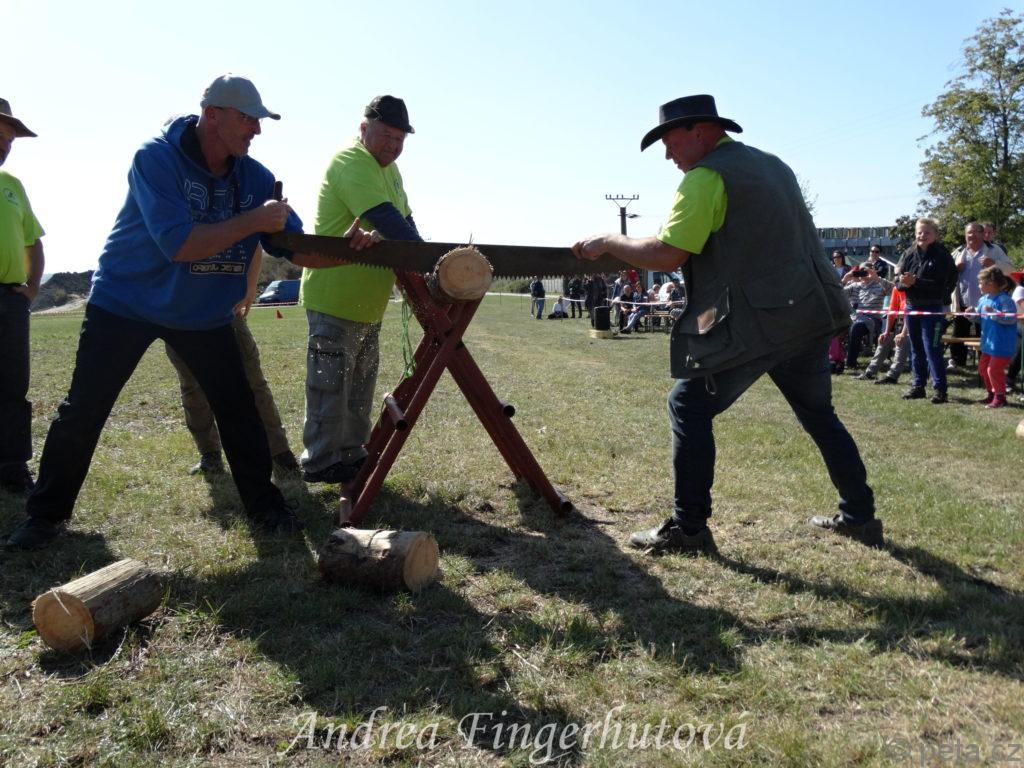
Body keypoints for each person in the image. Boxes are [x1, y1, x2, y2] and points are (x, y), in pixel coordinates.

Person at [5, 74, 378, 550]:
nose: (256, 130)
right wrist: (254, 219)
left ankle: (266, 508)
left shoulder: (255, 177)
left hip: (203, 314)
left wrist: (346, 248)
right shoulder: (155, 159)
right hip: (126, 302)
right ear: (212, 115)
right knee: (84, 410)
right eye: (248, 119)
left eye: (259, 121)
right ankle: (44, 518)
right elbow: (179, 244)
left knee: (239, 409)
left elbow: (296, 248)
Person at [572, 94, 879, 553]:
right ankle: (860, 517)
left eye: (670, 142)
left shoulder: (706, 177)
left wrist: (610, 240)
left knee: (687, 406)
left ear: (699, 131)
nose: (668, 155)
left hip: (762, 323)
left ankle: (689, 529)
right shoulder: (774, 166)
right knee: (820, 416)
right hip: (809, 312)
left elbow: (668, 254)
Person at [299, 95, 421, 485]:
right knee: (329, 390)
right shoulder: (351, 161)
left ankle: (351, 457)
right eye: (386, 135)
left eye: (400, 139)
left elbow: (407, 222)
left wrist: (429, 260)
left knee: (359, 393)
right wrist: (428, 263)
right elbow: (386, 221)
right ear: (363, 128)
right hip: (334, 299)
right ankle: (320, 462)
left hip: (368, 305)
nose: (393, 145)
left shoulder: (391, 172)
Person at [164, 246, 299, 476]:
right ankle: (210, 455)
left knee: (253, 383)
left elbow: (254, 245)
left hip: (227, 311)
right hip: (179, 316)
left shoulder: (232, 219)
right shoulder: (166, 222)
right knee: (192, 388)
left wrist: (250, 288)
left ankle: (280, 453)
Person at [0, 98, 44, 495]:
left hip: (10, 301)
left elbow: (34, 241)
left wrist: (31, 289)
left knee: (13, 385)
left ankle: (13, 468)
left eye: (8, 140)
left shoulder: (13, 186)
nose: (4, 145)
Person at [896, 218, 957, 404]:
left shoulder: (942, 255)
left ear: (935, 235)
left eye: (926, 232)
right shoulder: (909, 253)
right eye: (919, 232)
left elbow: (943, 285)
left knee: (933, 348)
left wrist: (917, 282)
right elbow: (898, 282)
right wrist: (904, 283)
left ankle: (940, 390)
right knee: (916, 348)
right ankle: (918, 386)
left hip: (933, 307)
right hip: (912, 307)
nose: (922, 235)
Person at [949, 221, 1012, 372]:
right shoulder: (959, 252)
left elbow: (1010, 269)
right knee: (959, 333)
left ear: (982, 234)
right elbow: (946, 272)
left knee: (985, 333)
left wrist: (994, 263)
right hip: (962, 302)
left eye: (975, 232)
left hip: (987, 304)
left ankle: (986, 363)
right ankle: (957, 362)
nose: (972, 235)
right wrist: (955, 269)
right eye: (968, 233)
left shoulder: (994, 250)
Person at [974, 266, 1018, 409]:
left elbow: (1011, 319)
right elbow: (980, 318)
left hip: (1002, 343)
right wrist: (970, 315)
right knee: (983, 369)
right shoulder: (983, 299)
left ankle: (1000, 397)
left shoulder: (1005, 300)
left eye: (981, 282)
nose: (979, 285)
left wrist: (994, 312)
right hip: (988, 343)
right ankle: (991, 394)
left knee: (993, 370)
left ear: (991, 283)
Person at [841, 264, 891, 371]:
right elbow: (838, 293)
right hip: (855, 319)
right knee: (852, 326)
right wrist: (845, 279)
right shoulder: (854, 286)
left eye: (867, 272)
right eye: (862, 272)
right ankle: (844, 360)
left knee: (857, 327)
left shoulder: (879, 285)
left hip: (874, 319)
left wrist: (877, 278)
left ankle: (851, 362)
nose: (864, 275)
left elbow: (894, 290)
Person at [860, 284, 910, 384]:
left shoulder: (913, 289)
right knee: (884, 339)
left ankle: (892, 376)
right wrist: (886, 332)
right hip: (901, 323)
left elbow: (911, 314)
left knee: (901, 341)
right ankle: (870, 372)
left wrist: (903, 334)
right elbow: (891, 312)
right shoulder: (897, 289)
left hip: (913, 325)